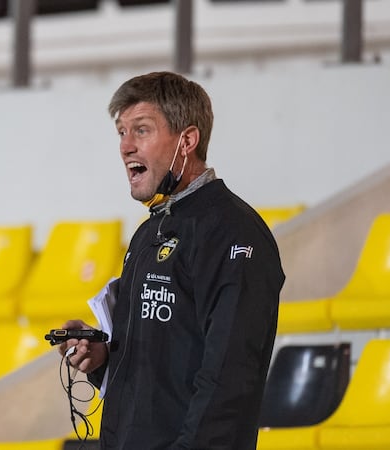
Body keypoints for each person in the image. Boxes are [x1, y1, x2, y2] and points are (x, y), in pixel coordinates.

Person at [59, 71, 285, 450]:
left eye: (141, 130)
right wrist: (101, 357)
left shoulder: (234, 232)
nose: (126, 146)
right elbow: (162, 367)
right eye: (121, 132)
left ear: (187, 140)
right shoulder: (150, 232)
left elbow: (229, 378)